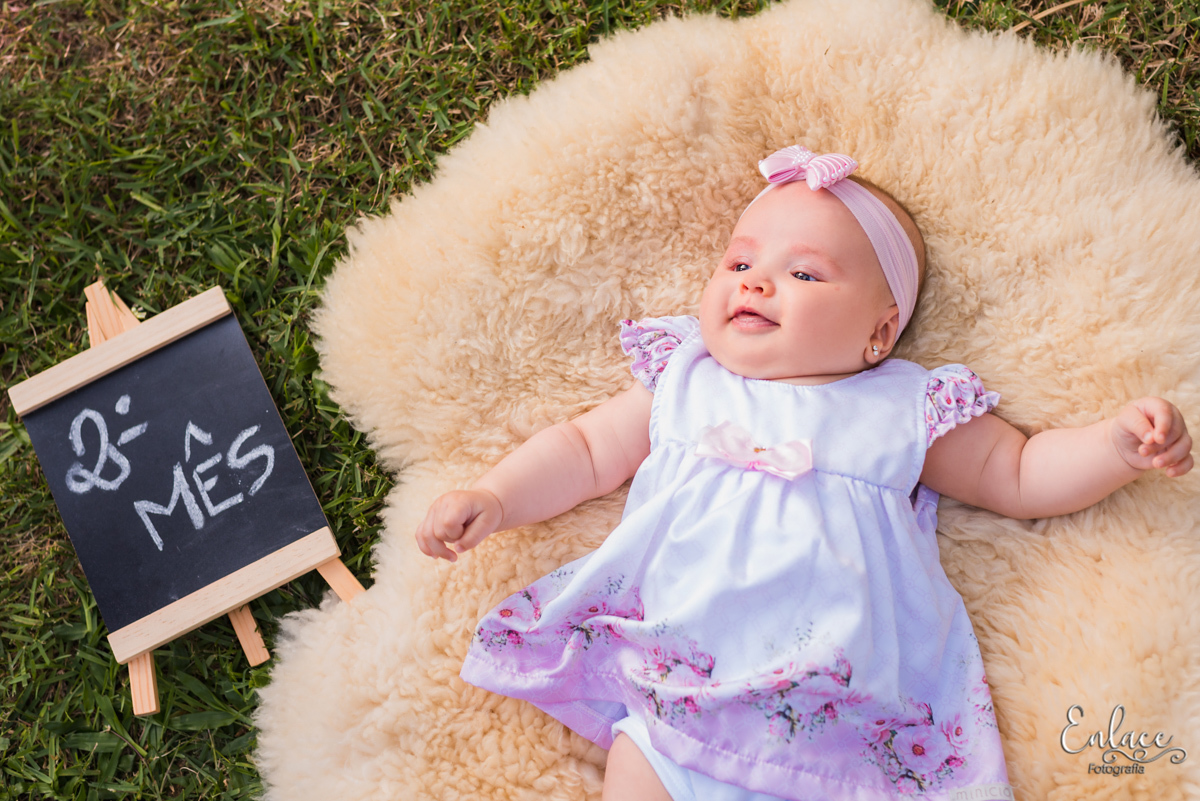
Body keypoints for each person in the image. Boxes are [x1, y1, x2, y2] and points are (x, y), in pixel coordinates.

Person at [415, 145, 1193, 801]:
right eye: (742, 261)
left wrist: (1112, 448)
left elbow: (1017, 473)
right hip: (675, 696)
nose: (754, 282)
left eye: (806, 275)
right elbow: (583, 451)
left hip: (835, 723)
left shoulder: (902, 407)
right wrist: (495, 496)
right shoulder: (685, 375)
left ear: (879, 333)